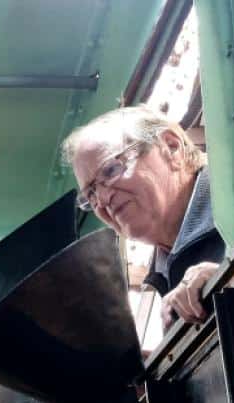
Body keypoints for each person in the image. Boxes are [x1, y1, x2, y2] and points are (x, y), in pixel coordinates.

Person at [61, 105, 220, 329]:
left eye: (110, 170)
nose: (103, 199)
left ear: (171, 147)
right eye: (91, 193)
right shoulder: (162, 278)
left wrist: (228, 274)